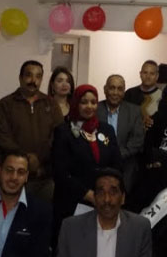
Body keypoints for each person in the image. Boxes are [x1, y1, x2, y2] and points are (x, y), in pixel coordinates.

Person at [51, 85, 123, 236]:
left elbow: (117, 165)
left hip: (104, 201)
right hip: (72, 202)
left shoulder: (107, 130)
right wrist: (87, 194)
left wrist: (108, 192)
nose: (89, 106)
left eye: (93, 102)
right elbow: (60, 172)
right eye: (84, 102)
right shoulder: (63, 131)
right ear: (75, 103)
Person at [0, 60, 64, 201]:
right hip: (13, 178)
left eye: (38, 76)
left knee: (43, 213)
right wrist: (26, 159)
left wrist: (39, 161)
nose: (33, 80)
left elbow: (59, 137)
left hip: (44, 177)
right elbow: (2, 138)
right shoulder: (5, 105)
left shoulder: (51, 104)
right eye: (29, 75)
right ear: (20, 78)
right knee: (13, 213)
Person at [97, 74, 145, 195]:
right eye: (112, 88)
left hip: (126, 166)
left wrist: (117, 155)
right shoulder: (95, 109)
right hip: (99, 165)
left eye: (119, 89)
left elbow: (137, 140)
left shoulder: (134, 111)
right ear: (105, 89)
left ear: (124, 92)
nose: (115, 93)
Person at [124, 60, 162, 127]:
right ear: (140, 74)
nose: (148, 76)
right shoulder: (129, 93)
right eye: (145, 73)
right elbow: (123, 117)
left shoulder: (162, 96)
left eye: (152, 73)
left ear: (157, 76)